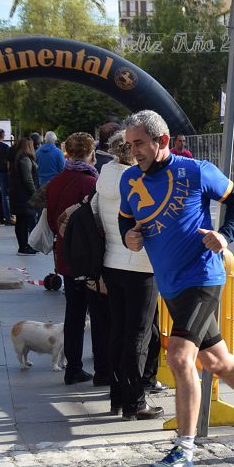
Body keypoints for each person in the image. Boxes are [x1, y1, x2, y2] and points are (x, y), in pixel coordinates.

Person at [119, 110, 234, 467]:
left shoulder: (195, 170)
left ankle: (184, 451)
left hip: (203, 276)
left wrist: (226, 235)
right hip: (170, 284)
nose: (134, 152)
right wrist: (128, 236)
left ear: (161, 141)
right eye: (129, 145)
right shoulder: (129, 179)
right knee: (218, 362)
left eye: (139, 144)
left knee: (180, 357)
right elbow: (125, 219)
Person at [90, 130, 163, 420]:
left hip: (112, 261)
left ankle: (117, 397)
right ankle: (135, 402)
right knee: (138, 336)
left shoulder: (104, 176)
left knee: (118, 333)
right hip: (140, 265)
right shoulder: (136, 180)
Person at [45, 132, 110, 386]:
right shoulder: (92, 183)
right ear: (91, 153)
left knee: (73, 311)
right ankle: (101, 365)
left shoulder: (55, 182)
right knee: (96, 311)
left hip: (65, 255)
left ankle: (72, 367)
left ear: (67, 154)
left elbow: (53, 220)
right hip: (88, 258)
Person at [8, 136, 40, 256]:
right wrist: (35, 192)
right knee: (23, 221)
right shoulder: (25, 160)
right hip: (24, 195)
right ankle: (23, 247)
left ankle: (24, 245)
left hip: (19, 194)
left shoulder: (19, 158)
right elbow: (28, 179)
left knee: (22, 221)